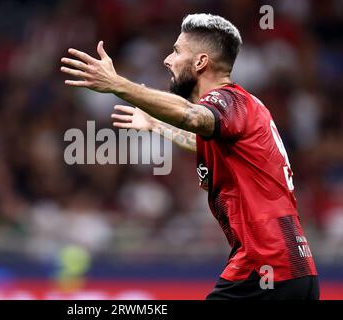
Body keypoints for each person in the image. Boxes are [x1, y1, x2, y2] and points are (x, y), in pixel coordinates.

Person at [60, 13, 319, 300]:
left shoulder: (229, 100)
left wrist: (118, 85)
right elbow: (205, 141)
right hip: (294, 269)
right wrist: (158, 126)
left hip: (265, 266)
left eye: (176, 51)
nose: (167, 60)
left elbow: (193, 117)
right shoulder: (246, 107)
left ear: (200, 62)